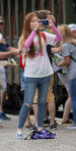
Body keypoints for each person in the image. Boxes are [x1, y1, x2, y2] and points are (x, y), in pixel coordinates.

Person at [15, 12, 58, 140]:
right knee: (27, 103)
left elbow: (58, 38)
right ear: (28, 24)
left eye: (37, 21)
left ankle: (39, 128)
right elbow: (26, 47)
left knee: (41, 103)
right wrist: (34, 31)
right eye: (32, 21)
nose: (35, 23)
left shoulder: (44, 35)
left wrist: (52, 26)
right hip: (31, 75)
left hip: (45, 73)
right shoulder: (25, 37)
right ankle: (19, 130)